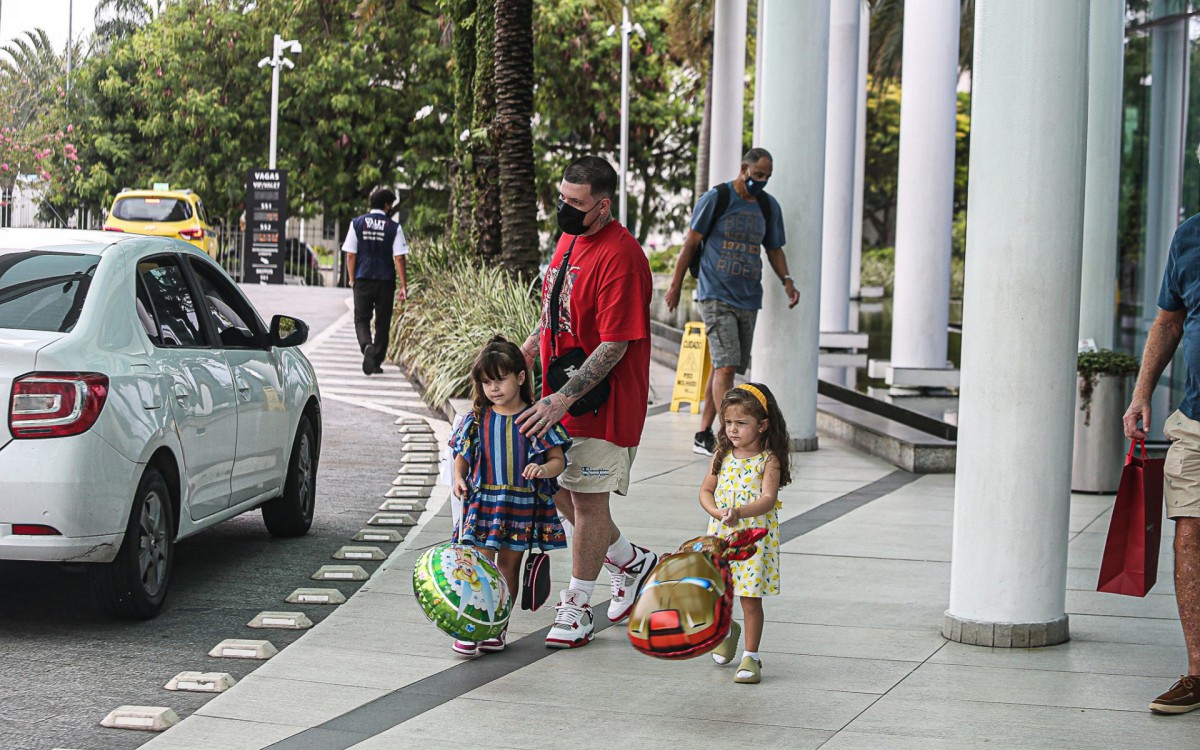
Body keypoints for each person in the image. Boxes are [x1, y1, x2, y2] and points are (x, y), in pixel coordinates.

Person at [515, 155, 658, 649]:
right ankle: (632, 562)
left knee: (586, 502)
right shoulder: (568, 238)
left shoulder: (623, 256)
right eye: (562, 199)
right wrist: (529, 349)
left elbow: (615, 344)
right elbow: (553, 308)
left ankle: (577, 608)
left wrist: (561, 400)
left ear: (602, 204)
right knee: (556, 489)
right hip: (559, 396)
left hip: (603, 402)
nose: (565, 209)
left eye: (576, 203)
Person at [665, 148, 800, 456]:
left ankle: (703, 432)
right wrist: (675, 286)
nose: (762, 181)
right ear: (744, 169)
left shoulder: (767, 207)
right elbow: (691, 243)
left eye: (767, 177)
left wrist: (787, 281)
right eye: (757, 175)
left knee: (728, 368)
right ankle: (728, 434)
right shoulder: (717, 198)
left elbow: (775, 249)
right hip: (715, 293)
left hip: (749, 296)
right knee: (726, 364)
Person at [448, 335, 570, 656]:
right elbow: (461, 457)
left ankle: (497, 626)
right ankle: (471, 626)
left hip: (520, 508)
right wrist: (459, 479)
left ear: (519, 377)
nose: (493, 389)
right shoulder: (477, 419)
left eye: (500, 379)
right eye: (487, 382)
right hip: (482, 504)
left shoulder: (535, 418)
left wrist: (544, 470)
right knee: (476, 567)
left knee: (507, 570)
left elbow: (557, 460)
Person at [1124, 206, 1200, 715]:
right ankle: (1198, 671)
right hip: (1196, 421)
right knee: (1189, 531)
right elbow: (1169, 321)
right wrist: (1141, 393)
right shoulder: (1190, 235)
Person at [699, 383, 790, 684]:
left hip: (752, 539)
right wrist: (716, 513)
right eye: (728, 423)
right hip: (721, 537)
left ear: (762, 425)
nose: (733, 430)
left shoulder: (768, 460)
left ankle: (752, 656)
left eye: (741, 423)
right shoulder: (722, 454)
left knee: (750, 598)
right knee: (719, 593)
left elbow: (767, 498)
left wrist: (739, 513)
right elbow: (706, 491)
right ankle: (728, 631)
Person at [343, 189, 408, 375]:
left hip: (362, 278)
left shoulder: (357, 223)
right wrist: (404, 285)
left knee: (361, 319)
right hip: (385, 281)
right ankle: (376, 361)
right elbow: (399, 258)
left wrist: (352, 278)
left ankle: (366, 346)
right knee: (382, 322)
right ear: (387, 205)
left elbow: (350, 255)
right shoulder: (394, 227)